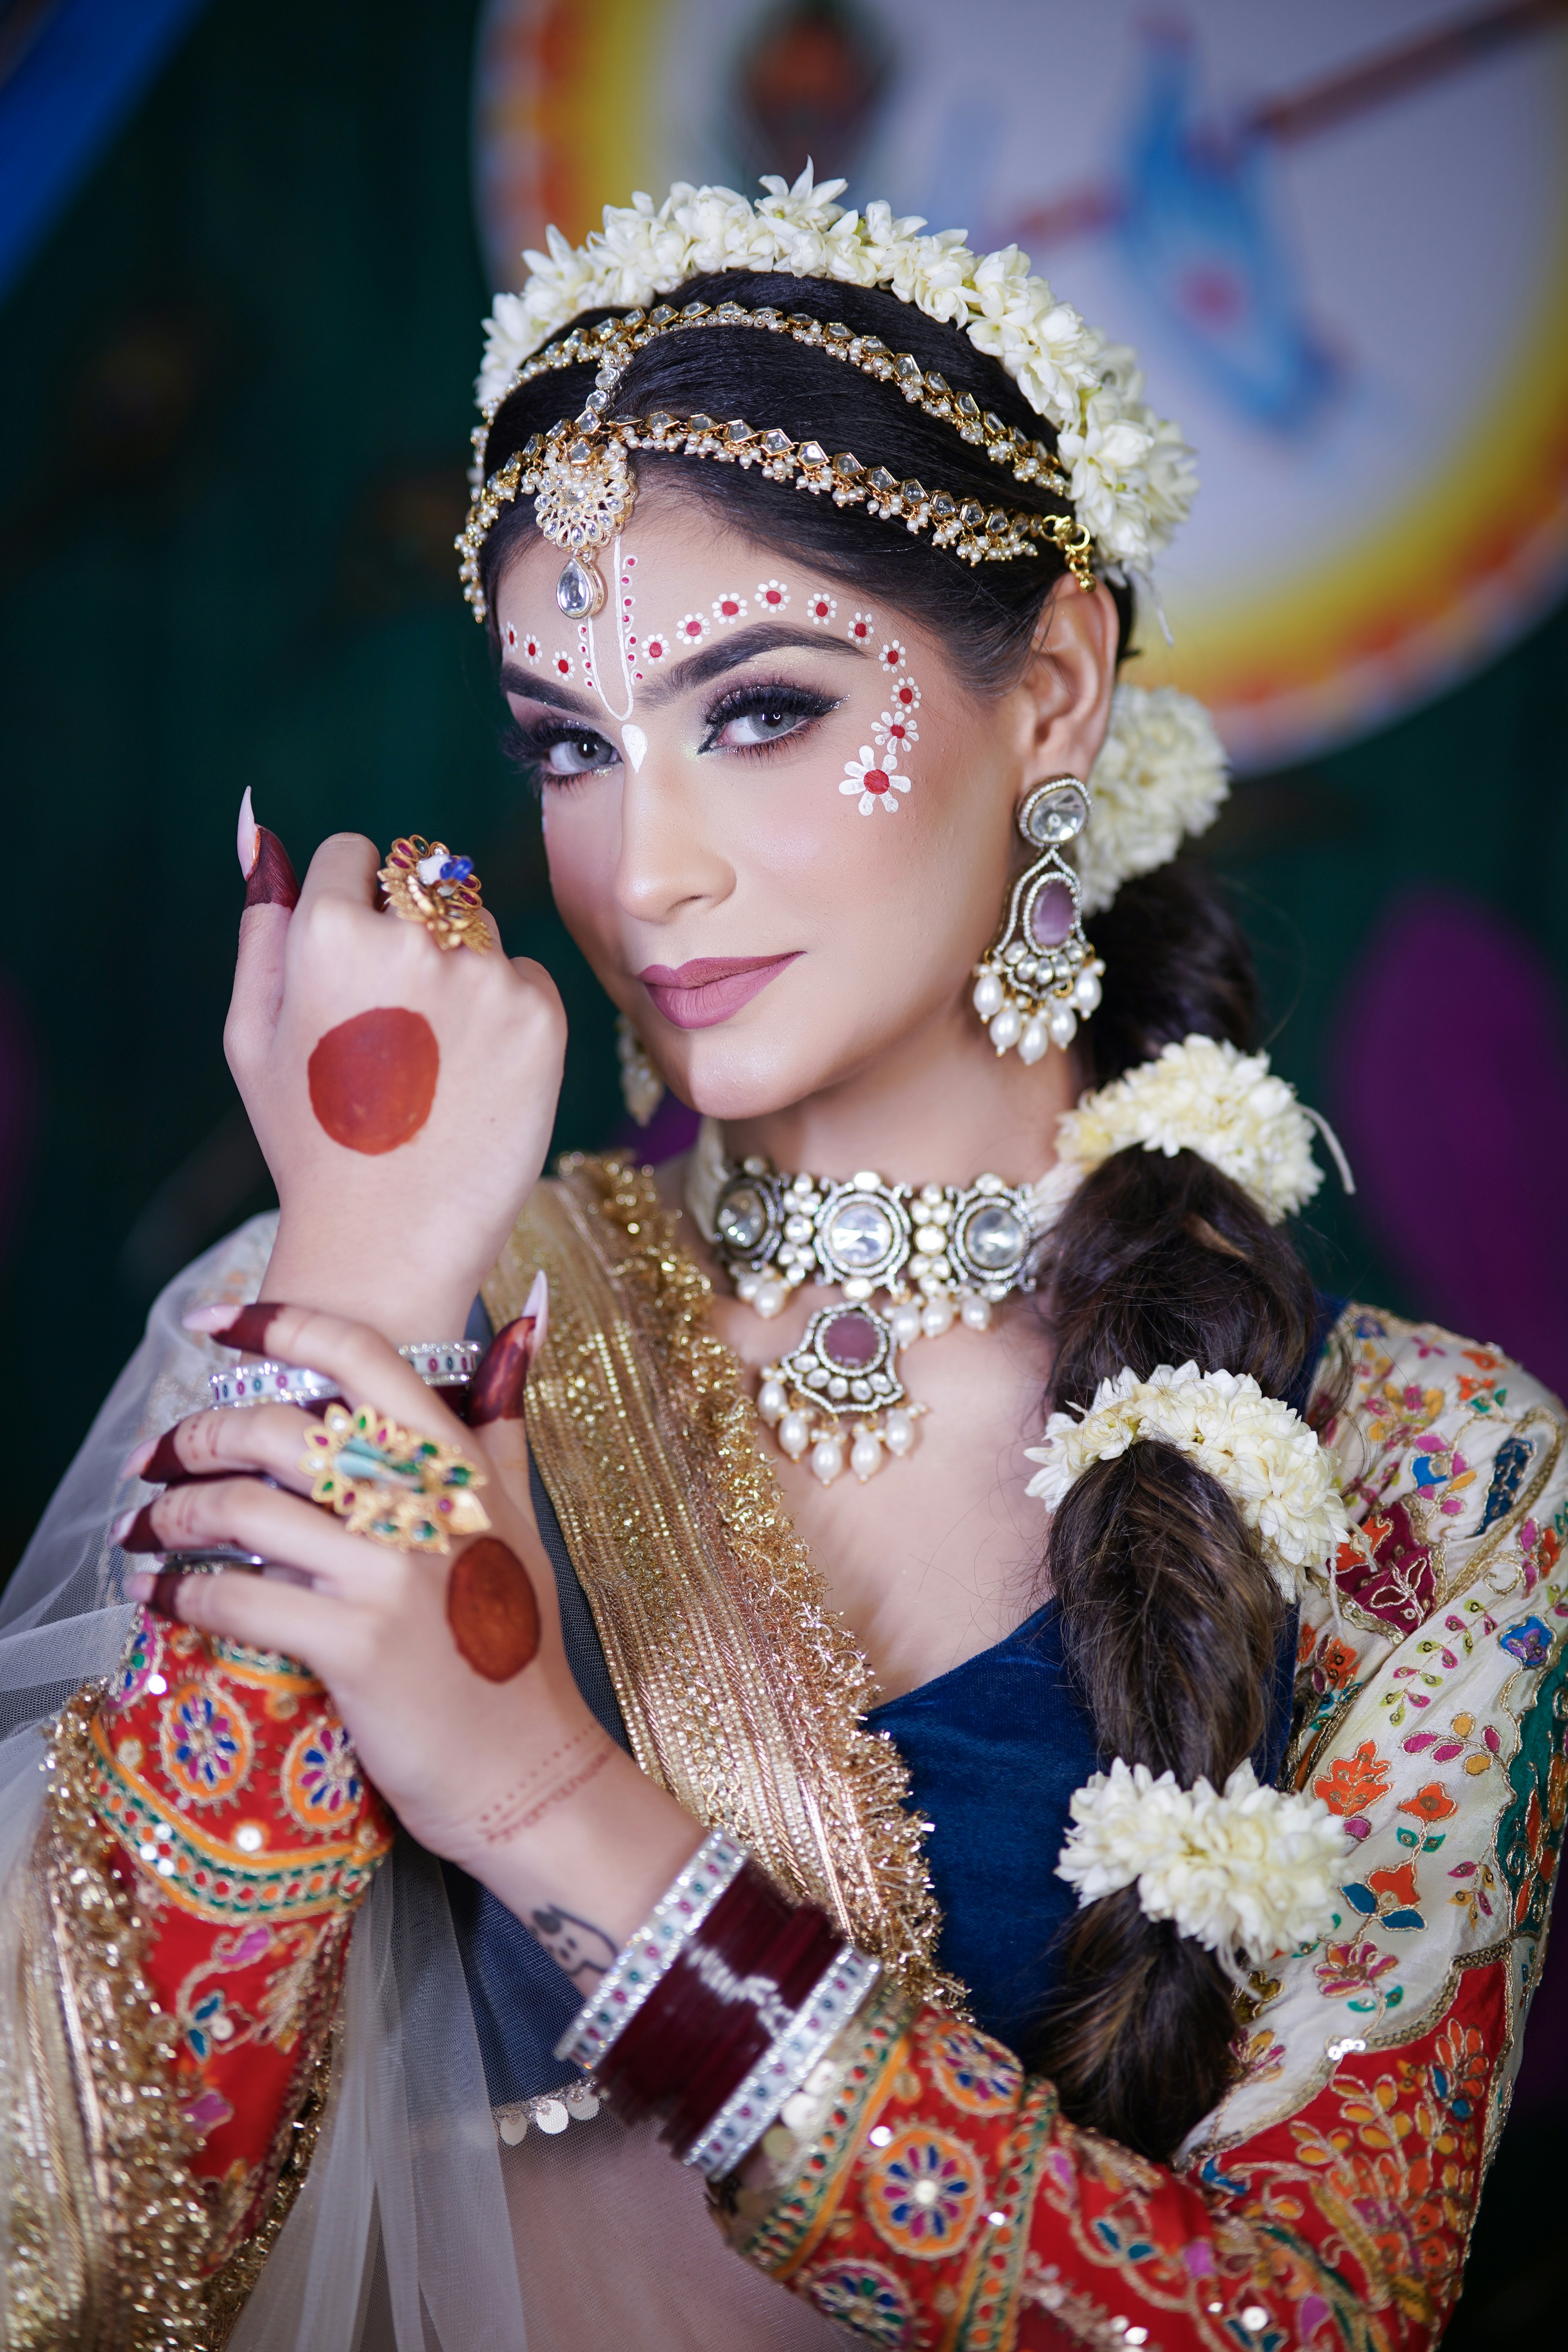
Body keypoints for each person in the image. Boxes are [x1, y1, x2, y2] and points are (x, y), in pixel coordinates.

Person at [2, 170, 1563, 2352]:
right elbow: (71, 2257)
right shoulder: (378, 1316)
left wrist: (540, 1794)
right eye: (572, 744)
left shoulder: (1432, 1484)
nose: (642, 868)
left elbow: (1307, 2325)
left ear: (1055, 692)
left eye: (759, 711)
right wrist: (352, 1292)